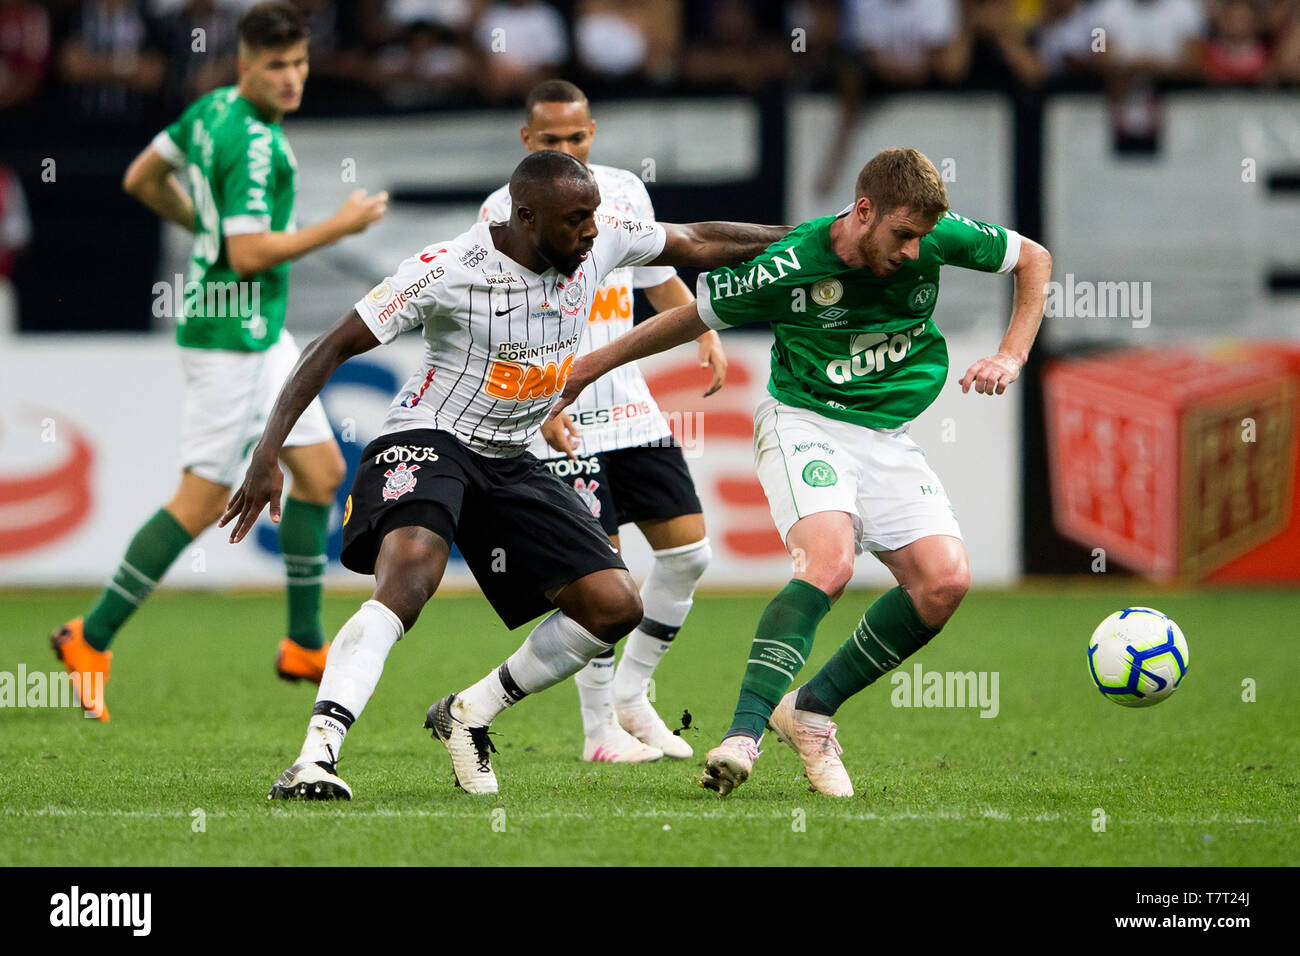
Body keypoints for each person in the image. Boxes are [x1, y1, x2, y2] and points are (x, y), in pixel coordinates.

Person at [219, 149, 789, 799]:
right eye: (576, 218)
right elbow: (333, 345)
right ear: (525, 215)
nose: (592, 230)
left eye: (594, 215)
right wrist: (269, 451)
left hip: (510, 456)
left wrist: (810, 239)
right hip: (428, 437)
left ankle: (468, 714)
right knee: (411, 578)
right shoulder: (446, 269)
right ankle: (315, 757)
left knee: (614, 605)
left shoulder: (598, 244)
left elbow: (697, 240)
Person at [551, 147, 1052, 798]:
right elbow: (688, 319)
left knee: (944, 583)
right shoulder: (789, 265)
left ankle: (810, 712)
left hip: (888, 437)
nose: (914, 251)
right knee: (829, 562)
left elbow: (1033, 259)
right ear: (863, 211)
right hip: (803, 422)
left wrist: (1011, 355)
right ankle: (743, 736)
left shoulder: (931, 233)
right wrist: (583, 371)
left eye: (924, 237)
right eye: (902, 236)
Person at [49, 1, 388, 721]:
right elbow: (247, 253)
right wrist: (338, 226)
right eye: (278, 66)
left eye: (300, 64)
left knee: (322, 475)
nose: (293, 79)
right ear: (245, 64)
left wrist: (202, 228)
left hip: (258, 334)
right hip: (228, 338)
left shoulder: (209, 113)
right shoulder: (256, 143)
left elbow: (141, 177)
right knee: (201, 500)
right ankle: (91, 635)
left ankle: (302, 643)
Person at [479, 79, 724, 763]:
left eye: (576, 137)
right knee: (603, 573)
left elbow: (657, 276)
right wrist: (533, 405)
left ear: (593, 133)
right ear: (527, 143)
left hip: (629, 402)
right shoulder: (503, 210)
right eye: (550, 140)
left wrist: (701, 327)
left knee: (687, 553)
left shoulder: (622, 191)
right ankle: (598, 735)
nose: (566, 148)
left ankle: (632, 695)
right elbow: (495, 318)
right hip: (558, 409)